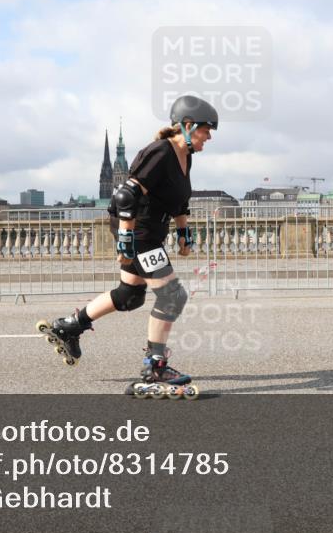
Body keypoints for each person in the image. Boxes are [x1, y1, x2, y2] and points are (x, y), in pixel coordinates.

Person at [37, 95, 218, 399]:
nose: (209, 137)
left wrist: (185, 231)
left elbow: (179, 199)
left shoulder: (185, 154)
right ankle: (155, 366)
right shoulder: (160, 152)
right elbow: (126, 196)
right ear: (188, 126)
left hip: (150, 231)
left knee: (130, 295)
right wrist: (126, 239)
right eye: (206, 130)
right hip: (139, 230)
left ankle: (69, 326)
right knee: (173, 295)